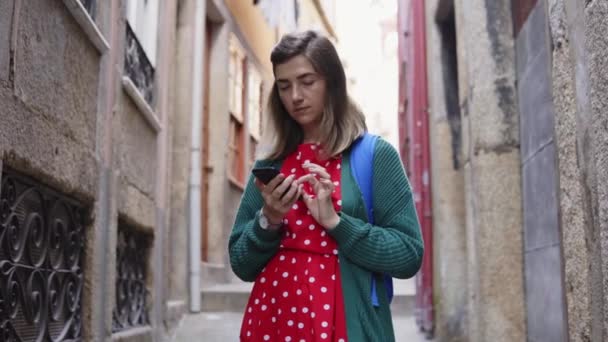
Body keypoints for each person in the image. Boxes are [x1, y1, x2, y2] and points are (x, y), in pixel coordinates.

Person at [228, 30, 423, 342]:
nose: (295, 96)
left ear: (332, 82)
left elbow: (409, 254)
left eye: (307, 81)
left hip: (347, 324)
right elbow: (241, 264)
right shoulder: (271, 163)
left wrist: (336, 223)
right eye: (284, 85)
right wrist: (268, 220)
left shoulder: (373, 156)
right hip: (273, 323)